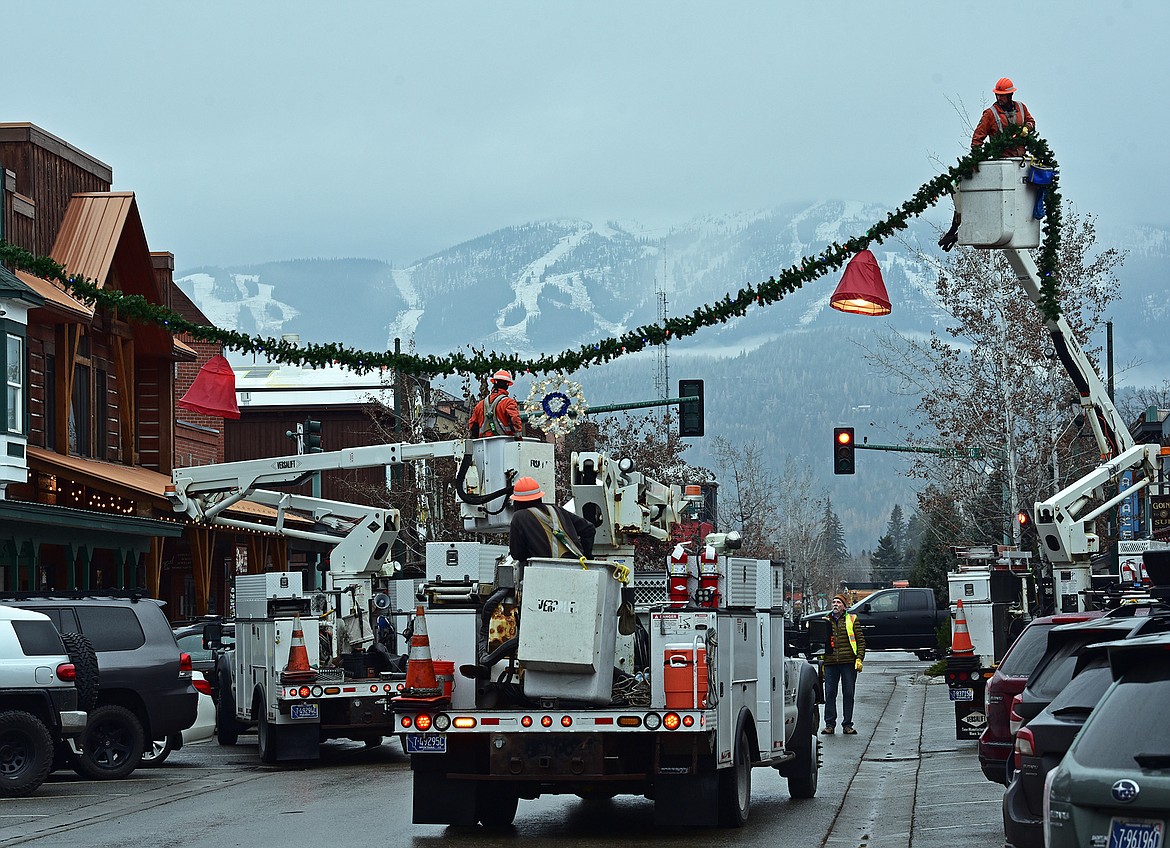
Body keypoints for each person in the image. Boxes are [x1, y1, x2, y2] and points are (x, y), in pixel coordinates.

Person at [939, 77, 1037, 251]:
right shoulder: (990, 114)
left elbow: (1031, 122)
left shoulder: (1021, 108)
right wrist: (976, 161)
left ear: (1011, 95)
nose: (1000, 98)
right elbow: (977, 139)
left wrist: (1026, 128)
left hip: (1019, 163)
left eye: (1003, 95)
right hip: (1002, 164)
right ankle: (956, 230)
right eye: (998, 95)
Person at [507, 476, 596, 563]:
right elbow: (589, 529)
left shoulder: (519, 517)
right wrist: (586, 556)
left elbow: (517, 554)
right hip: (577, 566)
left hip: (545, 571)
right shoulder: (557, 510)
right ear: (539, 497)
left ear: (518, 501)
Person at [821, 593, 866, 735]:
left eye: (838, 602)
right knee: (830, 694)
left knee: (848, 693)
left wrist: (859, 658)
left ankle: (847, 725)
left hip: (848, 662)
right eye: (833, 602)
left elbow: (860, 641)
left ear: (844, 606)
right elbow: (819, 642)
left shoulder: (852, 619)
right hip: (830, 662)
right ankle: (829, 724)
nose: (835, 604)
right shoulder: (825, 620)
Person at [469, 368, 524, 439]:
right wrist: (518, 437)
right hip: (505, 443)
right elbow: (515, 420)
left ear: (494, 382)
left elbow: (473, 426)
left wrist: (476, 441)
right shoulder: (508, 403)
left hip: (484, 445)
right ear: (507, 385)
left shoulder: (480, 405)